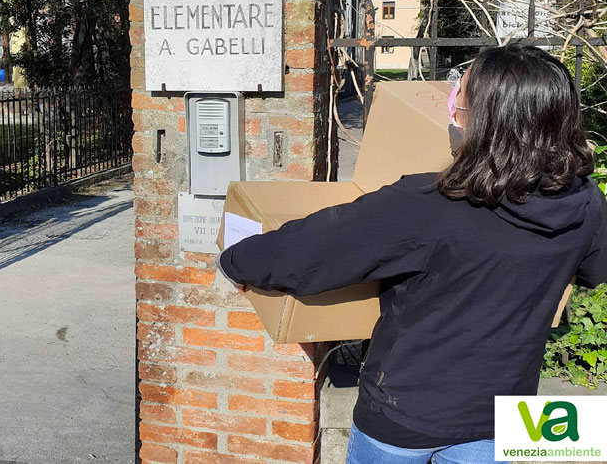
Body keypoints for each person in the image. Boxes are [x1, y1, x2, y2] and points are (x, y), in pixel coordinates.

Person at [216, 44, 607, 464]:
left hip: (404, 417)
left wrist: (234, 260)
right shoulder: (584, 203)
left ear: (483, 120)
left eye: (461, 94)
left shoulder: (429, 202)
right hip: (505, 417)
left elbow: (308, 253)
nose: (452, 101)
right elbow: (592, 271)